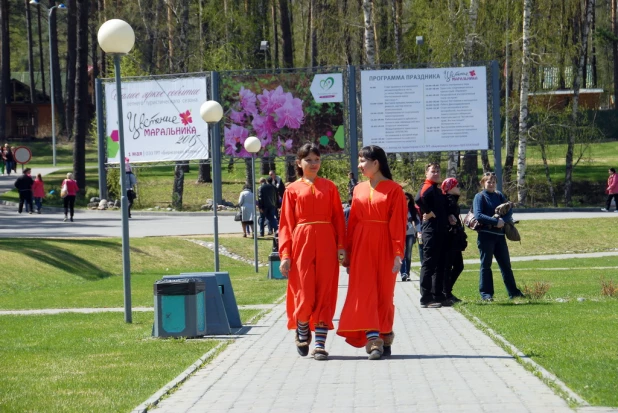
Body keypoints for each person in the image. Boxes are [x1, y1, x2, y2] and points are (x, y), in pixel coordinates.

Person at [338, 145, 407, 360]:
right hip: (361, 245)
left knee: (385, 294)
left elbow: (398, 224)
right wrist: (348, 252)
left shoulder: (394, 189)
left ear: (376, 163)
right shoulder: (358, 189)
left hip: (385, 245)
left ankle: (385, 333)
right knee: (365, 292)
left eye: (362, 161)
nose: (359, 165)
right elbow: (353, 222)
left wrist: (398, 252)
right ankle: (374, 339)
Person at [278, 143, 346, 361]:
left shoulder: (330, 187)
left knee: (325, 292)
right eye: (309, 160)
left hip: (326, 240)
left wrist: (341, 247)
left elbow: (338, 219)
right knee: (305, 292)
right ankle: (303, 325)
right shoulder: (292, 190)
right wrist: (286, 255)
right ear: (299, 163)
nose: (314, 164)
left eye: (317, 159)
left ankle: (320, 344)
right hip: (302, 242)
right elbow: (286, 224)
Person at [473, 172, 524, 301]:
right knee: (486, 265)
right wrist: (495, 222)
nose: (491, 184)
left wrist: (503, 220)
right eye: (488, 182)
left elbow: (509, 210)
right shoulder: (479, 197)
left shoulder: (499, 195)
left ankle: (514, 293)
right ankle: (486, 294)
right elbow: (478, 215)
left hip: (500, 237)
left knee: (505, 265)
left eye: (493, 182)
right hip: (486, 236)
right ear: (483, 183)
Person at [415, 162, 448, 308]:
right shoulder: (427, 186)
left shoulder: (437, 189)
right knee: (429, 264)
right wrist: (427, 212)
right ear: (426, 173)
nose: (436, 173)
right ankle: (425, 298)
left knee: (439, 265)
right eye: (433, 171)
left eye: (438, 171)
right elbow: (418, 199)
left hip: (440, 231)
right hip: (431, 232)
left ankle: (438, 295)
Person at [441, 178, 466, 303]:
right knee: (451, 266)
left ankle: (447, 291)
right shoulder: (448, 200)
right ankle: (446, 292)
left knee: (458, 265)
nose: (459, 188)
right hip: (450, 238)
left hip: (454, 237)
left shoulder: (452, 200)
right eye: (457, 186)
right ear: (450, 188)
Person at [400, 192, 420, 282]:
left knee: (408, 254)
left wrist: (419, 231)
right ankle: (403, 273)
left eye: (407, 199)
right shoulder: (398, 208)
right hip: (400, 234)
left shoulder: (413, 209)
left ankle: (407, 273)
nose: (405, 200)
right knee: (401, 254)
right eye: (403, 198)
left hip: (410, 234)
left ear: (410, 200)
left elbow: (417, 221)